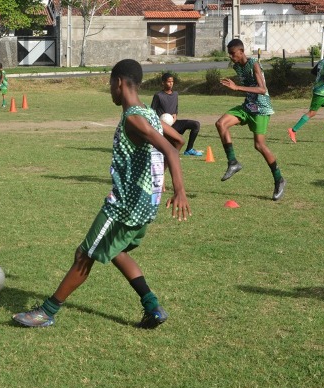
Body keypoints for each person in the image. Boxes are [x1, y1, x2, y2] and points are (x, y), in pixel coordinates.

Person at [12, 59, 191, 329]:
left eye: (110, 83)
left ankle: (47, 312)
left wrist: (179, 190)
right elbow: (177, 139)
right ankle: (153, 307)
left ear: (118, 83)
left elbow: (172, 150)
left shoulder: (133, 117)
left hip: (125, 205)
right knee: (116, 250)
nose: (110, 89)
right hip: (146, 203)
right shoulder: (148, 113)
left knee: (84, 255)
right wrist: (159, 177)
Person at [216, 39, 286, 201]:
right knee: (221, 123)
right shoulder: (236, 66)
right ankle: (233, 162)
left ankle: (279, 179)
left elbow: (262, 89)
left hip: (261, 108)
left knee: (259, 145)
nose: (231, 57)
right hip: (248, 106)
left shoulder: (254, 64)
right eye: (230, 54)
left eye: (233, 54)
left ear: (241, 51)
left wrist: (237, 87)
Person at [287, 43, 324, 143]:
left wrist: (320, 77)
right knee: (312, 113)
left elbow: (313, 71)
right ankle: (293, 130)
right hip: (320, 92)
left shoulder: (323, 60)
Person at [151, 72, 203, 156]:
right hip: (163, 126)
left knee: (196, 124)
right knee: (171, 147)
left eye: (172, 81)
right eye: (168, 81)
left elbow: (175, 109)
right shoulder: (158, 95)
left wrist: (175, 116)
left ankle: (189, 149)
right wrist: (159, 121)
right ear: (163, 83)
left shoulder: (175, 94)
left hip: (174, 123)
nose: (171, 83)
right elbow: (152, 111)